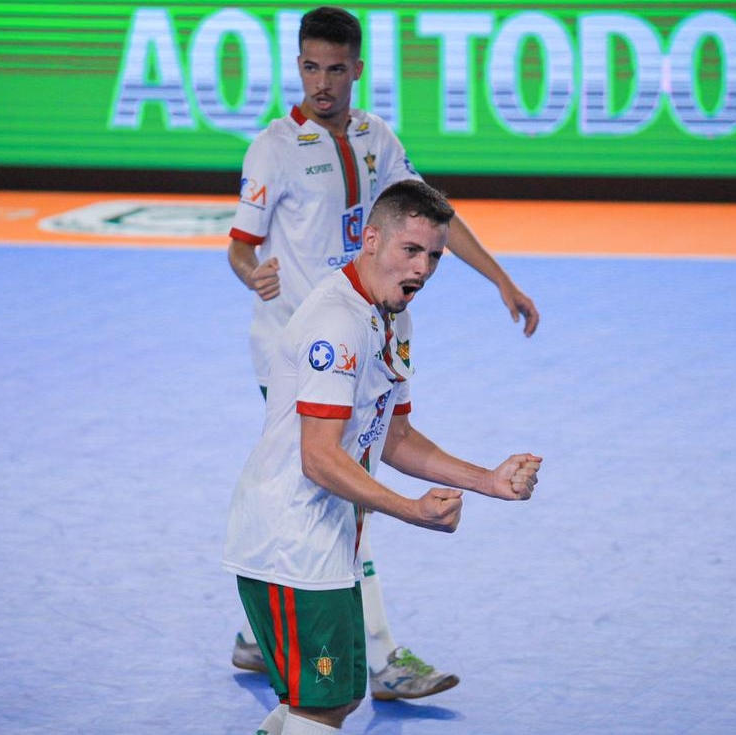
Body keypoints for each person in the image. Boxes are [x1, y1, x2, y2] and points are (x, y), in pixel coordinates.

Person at [226, 5, 540, 699]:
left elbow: (428, 219)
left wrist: (500, 278)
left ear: (356, 69)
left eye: (336, 68)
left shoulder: (377, 139)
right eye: (311, 66)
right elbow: (240, 249)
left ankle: (263, 628)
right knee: (335, 490)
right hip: (308, 347)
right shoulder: (273, 148)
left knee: (321, 486)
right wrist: (258, 274)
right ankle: (383, 656)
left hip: (376, 337)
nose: (322, 82)